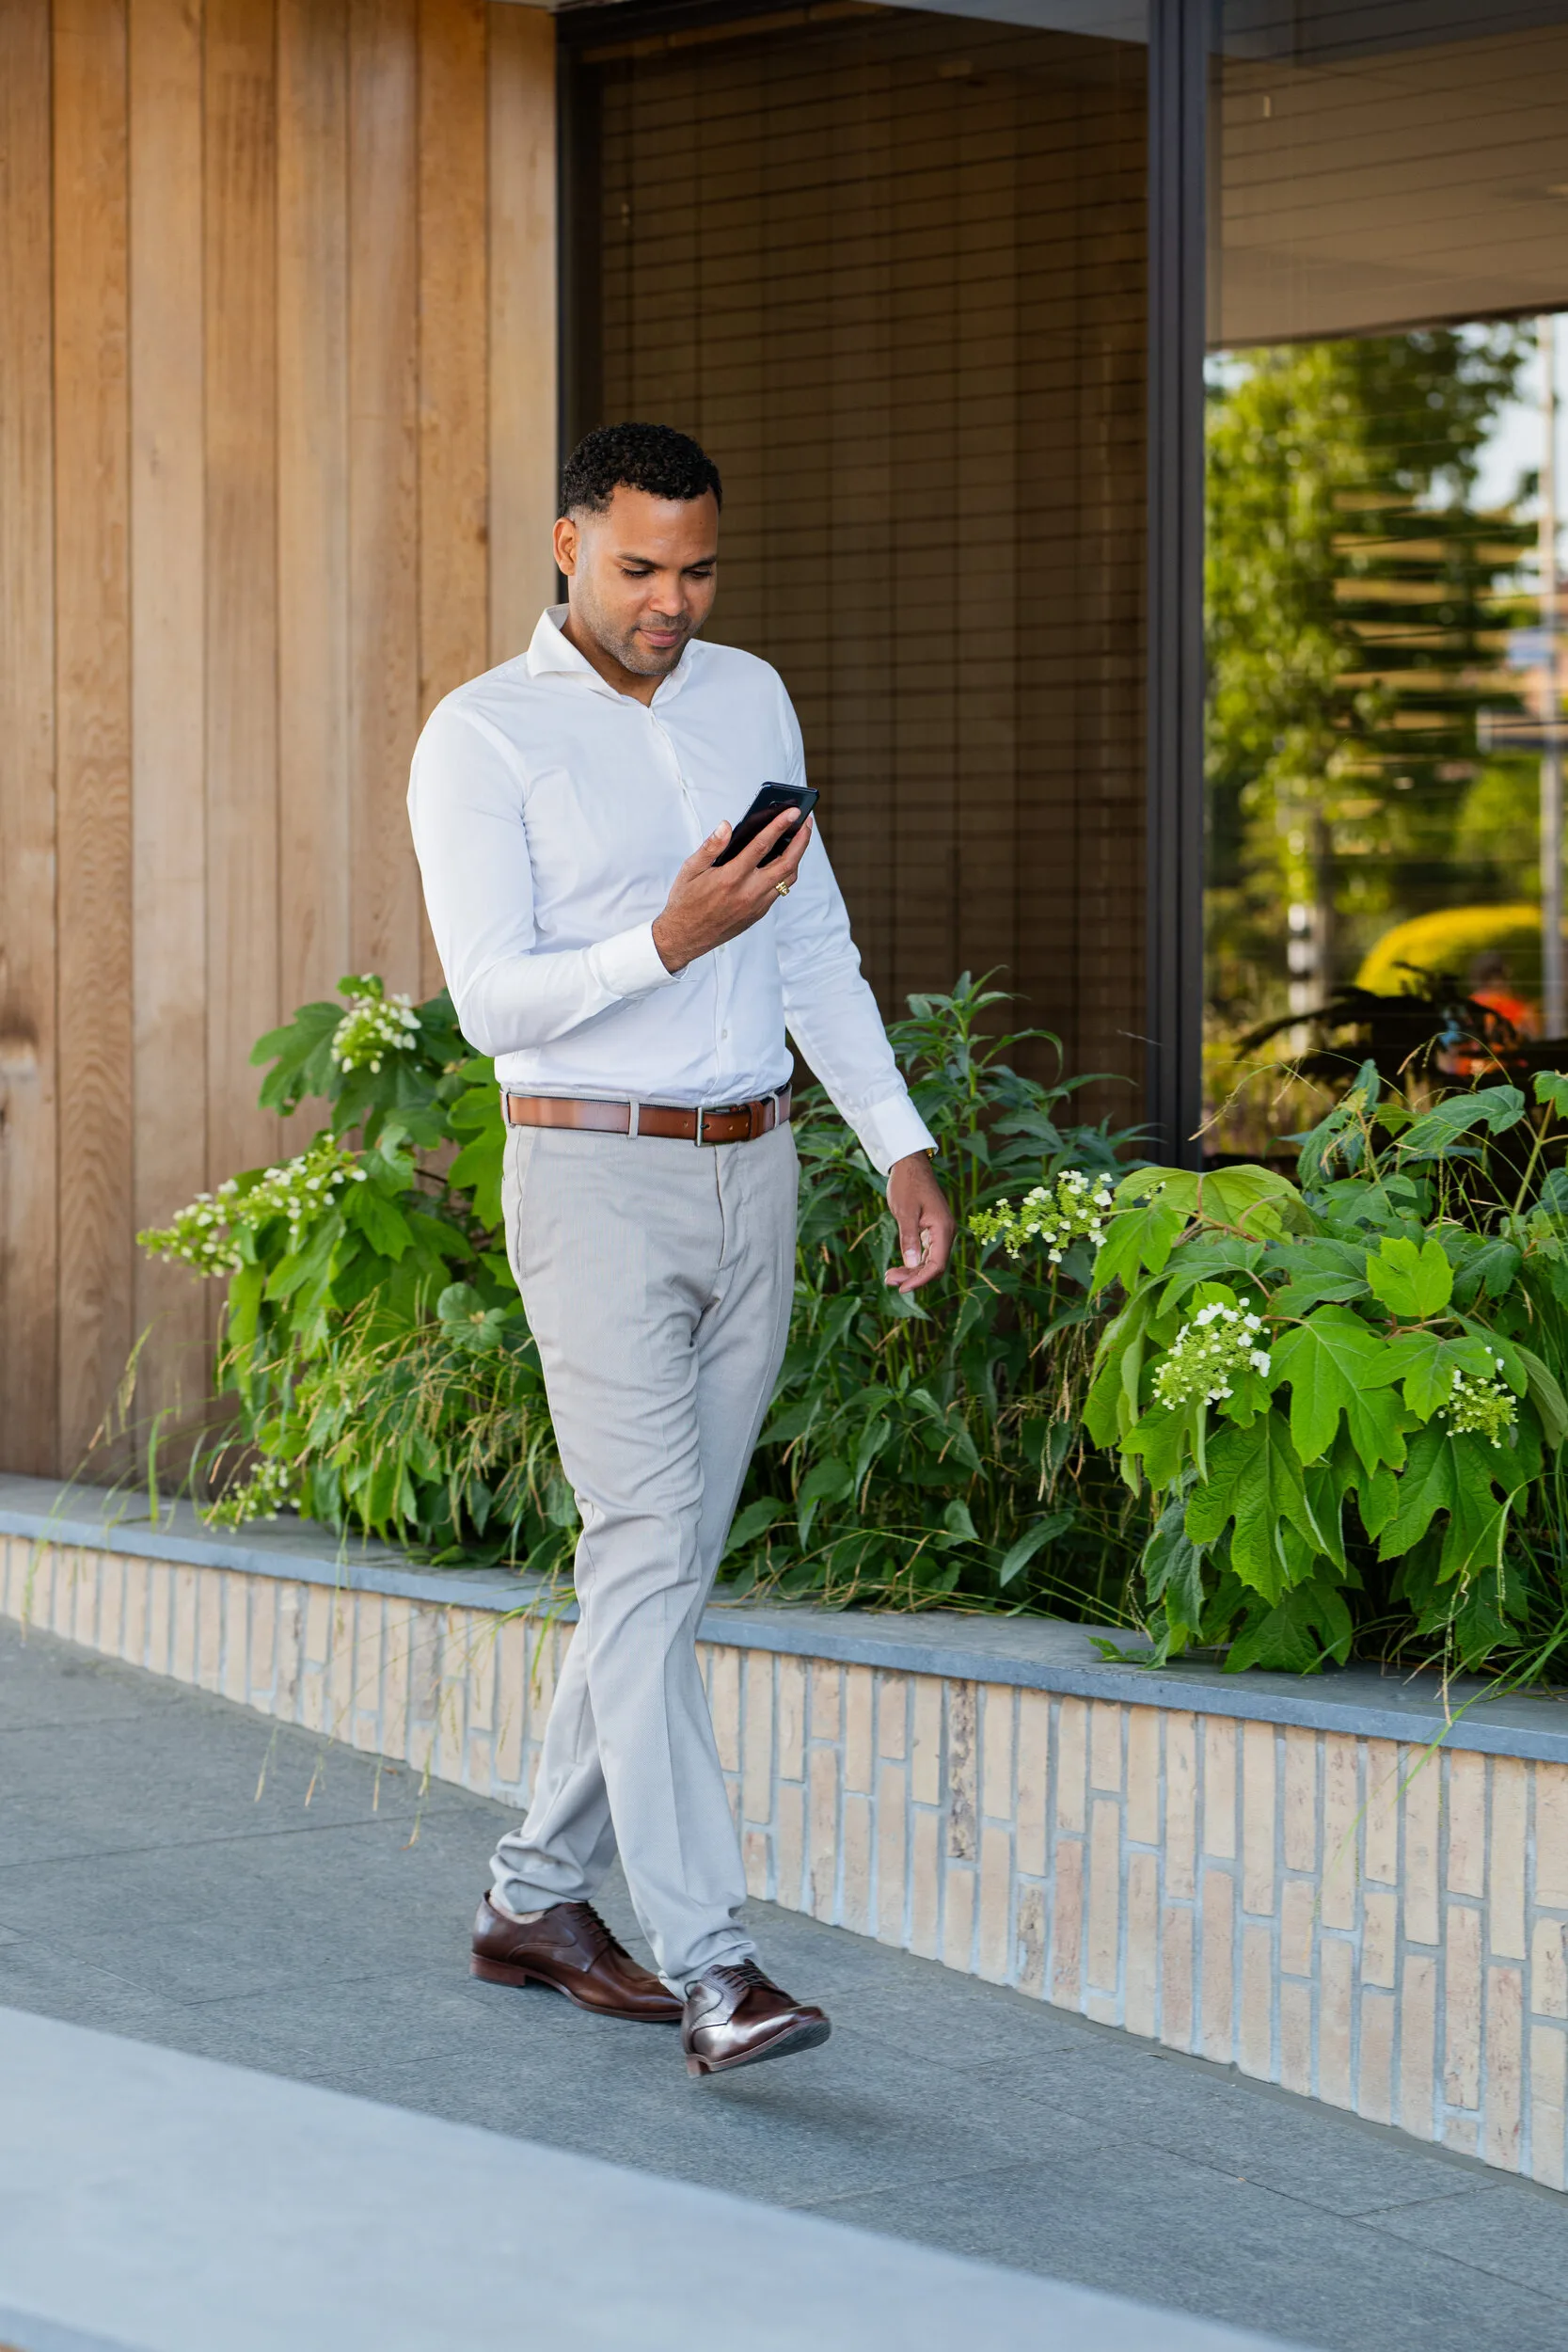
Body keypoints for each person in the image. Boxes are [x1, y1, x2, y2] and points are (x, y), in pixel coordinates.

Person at [407, 421, 954, 2077]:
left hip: (755, 1171)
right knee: (645, 1551)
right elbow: (489, 1000)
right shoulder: (480, 739)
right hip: (590, 1179)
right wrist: (663, 939)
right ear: (568, 545)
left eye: (698, 568)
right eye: (641, 568)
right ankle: (714, 1961)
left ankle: (527, 1898)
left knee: (659, 1573)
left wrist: (899, 1146)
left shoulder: (749, 698)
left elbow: (813, 938)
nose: (673, 601)